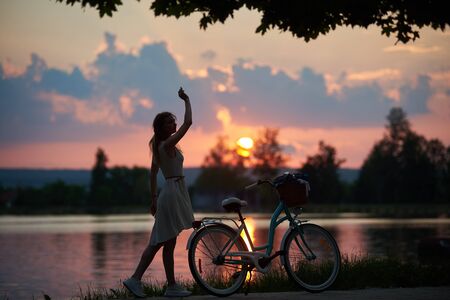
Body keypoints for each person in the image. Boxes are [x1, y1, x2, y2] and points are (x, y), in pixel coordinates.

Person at [123, 87, 194, 298]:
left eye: (174, 121)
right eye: (170, 122)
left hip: (170, 193)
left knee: (167, 242)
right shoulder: (166, 144)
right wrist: (187, 100)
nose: (174, 124)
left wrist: (153, 199)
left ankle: (171, 286)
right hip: (172, 193)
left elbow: (152, 175)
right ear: (162, 128)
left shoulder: (159, 147)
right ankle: (135, 279)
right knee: (158, 241)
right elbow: (188, 123)